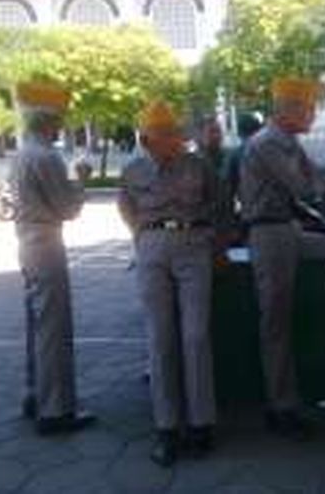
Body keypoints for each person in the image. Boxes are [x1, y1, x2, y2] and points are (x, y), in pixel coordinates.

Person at [118, 101, 219, 467]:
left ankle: (202, 424)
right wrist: (143, 237)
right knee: (160, 338)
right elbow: (125, 206)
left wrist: (212, 242)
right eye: (166, 135)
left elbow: (217, 203)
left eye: (176, 133)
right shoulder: (132, 170)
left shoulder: (198, 165)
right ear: (147, 139)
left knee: (195, 336)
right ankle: (167, 429)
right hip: (151, 250)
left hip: (193, 246)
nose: (175, 140)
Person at [239, 76, 325, 439]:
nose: (314, 114)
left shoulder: (288, 140)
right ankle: (282, 406)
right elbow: (305, 187)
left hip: (287, 229)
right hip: (270, 233)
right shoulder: (267, 143)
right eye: (309, 108)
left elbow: (314, 180)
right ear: (288, 110)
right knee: (276, 322)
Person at [11, 80, 95, 435]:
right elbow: (67, 208)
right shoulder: (46, 157)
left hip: (28, 241)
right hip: (46, 242)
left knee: (37, 323)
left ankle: (36, 394)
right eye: (59, 118)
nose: (62, 124)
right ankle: (56, 409)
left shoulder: (22, 153)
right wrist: (81, 180)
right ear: (47, 120)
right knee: (53, 327)